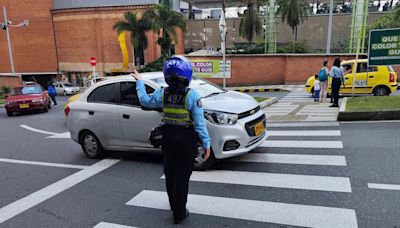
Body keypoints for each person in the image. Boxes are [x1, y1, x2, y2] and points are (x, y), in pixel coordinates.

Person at [131, 56, 211, 224]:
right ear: (187, 75)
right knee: (182, 178)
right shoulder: (192, 95)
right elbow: (199, 124)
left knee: (170, 174)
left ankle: (173, 205)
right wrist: (207, 145)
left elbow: (144, 101)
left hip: (168, 140)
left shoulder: (162, 93)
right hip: (186, 142)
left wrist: (140, 81)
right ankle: (179, 213)